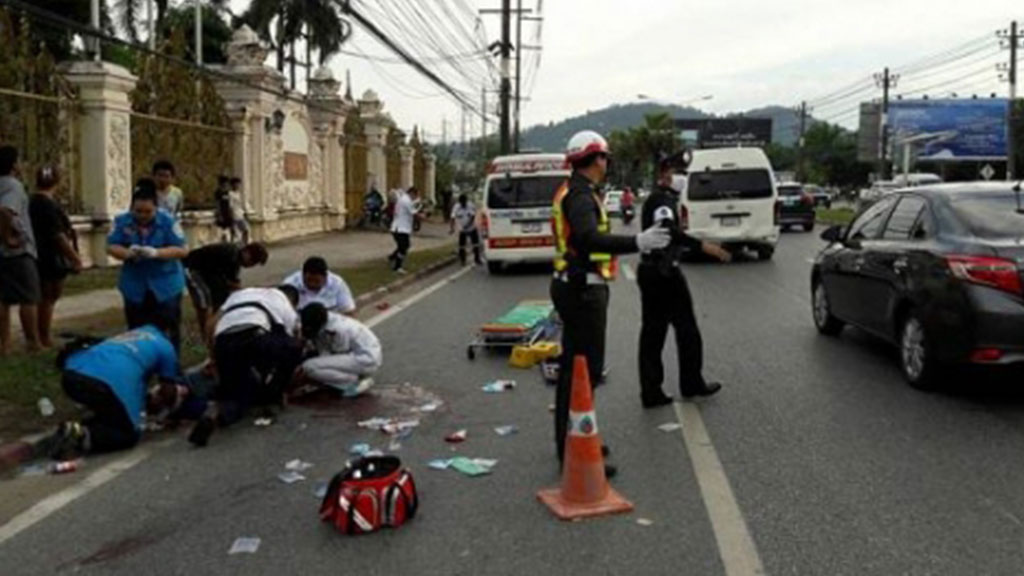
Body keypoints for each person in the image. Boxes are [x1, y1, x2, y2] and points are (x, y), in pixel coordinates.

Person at [550, 130, 671, 476]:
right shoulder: (580, 196)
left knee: (580, 372)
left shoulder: (577, 191)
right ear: (596, 159)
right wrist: (639, 241)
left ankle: (576, 439)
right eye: (604, 157)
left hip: (578, 287)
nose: (607, 163)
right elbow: (588, 239)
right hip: (581, 291)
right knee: (582, 374)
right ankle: (573, 447)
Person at [638, 152, 731, 408]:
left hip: (653, 271)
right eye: (679, 173)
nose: (683, 178)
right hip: (663, 273)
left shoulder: (659, 199)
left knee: (654, 332)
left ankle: (652, 390)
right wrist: (704, 247)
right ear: (665, 174)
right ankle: (690, 383)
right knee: (685, 329)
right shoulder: (662, 201)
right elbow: (669, 230)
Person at [44, 322, 179, 459]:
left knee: (112, 411)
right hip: (106, 383)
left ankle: (76, 428)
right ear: (170, 331)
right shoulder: (165, 346)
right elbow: (168, 391)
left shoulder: (136, 333)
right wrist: (167, 408)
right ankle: (80, 434)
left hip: (71, 376)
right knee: (128, 434)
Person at [191, 285, 304, 446]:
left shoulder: (240, 294)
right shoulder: (284, 302)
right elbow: (295, 338)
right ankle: (272, 397)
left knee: (236, 393)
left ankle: (214, 414)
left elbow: (211, 324)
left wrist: (214, 358)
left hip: (224, 339)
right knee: (293, 348)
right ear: (292, 301)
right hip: (254, 335)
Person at [107, 179, 188, 352]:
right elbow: (111, 246)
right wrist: (127, 253)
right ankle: (141, 365)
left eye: (147, 212)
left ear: (156, 208)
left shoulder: (168, 222)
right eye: (138, 211)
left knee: (167, 330)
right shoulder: (122, 222)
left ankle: (169, 370)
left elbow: (182, 250)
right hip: (135, 285)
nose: (142, 216)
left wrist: (157, 253)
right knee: (137, 330)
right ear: (131, 208)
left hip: (166, 285)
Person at [30, 164, 83, 349]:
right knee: (49, 297)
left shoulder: (33, 201)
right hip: (51, 256)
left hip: (39, 253)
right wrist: (74, 257)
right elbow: (57, 235)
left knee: (45, 298)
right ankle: (43, 336)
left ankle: (41, 334)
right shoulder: (47, 204)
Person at [0, 145, 41, 354]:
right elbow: (6, 211)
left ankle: (3, 343)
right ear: (14, 164)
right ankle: (32, 342)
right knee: (28, 296)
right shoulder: (13, 186)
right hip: (17, 251)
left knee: (3, 299)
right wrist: (8, 237)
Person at [184, 242, 269, 338]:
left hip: (206, 274)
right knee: (205, 303)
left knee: (220, 299)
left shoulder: (235, 257)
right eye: (253, 261)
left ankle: (212, 329)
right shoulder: (230, 255)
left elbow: (232, 283)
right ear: (247, 252)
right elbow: (230, 283)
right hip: (193, 269)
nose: (251, 266)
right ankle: (206, 333)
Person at [295, 303, 382, 397]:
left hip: (365, 358)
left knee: (309, 366)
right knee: (314, 365)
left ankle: (353, 381)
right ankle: (339, 381)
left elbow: (338, 353)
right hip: (358, 355)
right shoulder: (327, 320)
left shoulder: (338, 329)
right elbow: (323, 351)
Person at [282, 256, 356, 314]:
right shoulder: (290, 285)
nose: (312, 284)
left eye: (316, 281)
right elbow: (282, 313)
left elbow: (349, 311)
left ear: (325, 277)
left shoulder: (337, 284)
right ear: (303, 275)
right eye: (309, 280)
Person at [388, 186, 419, 274]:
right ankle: (397, 267)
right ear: (412, 193)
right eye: (415, 195)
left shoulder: (403, 199)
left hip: (400, 227)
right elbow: (414, 213)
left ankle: (392, 257)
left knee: (404, 246)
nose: (415, 198)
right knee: (403, 247)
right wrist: (424, 217)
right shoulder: (406, 201)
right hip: (400, 228)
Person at [449, 193, 482, 266]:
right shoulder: (456, 207)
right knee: (462, 245)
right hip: (462, 229)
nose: (463, 204)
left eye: (464, 202)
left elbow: (473, 217)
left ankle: (477, 259)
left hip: (471, 227)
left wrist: (467, 225)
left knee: (476, 244)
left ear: (466, 201)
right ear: (460, 202)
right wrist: (452, 228)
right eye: (462, 203)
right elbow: (452, 218)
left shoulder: (470, 205)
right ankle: (463, 260)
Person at [228, 177, 251, 244]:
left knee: (246, 230)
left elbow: (240, 205)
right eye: (236, 184)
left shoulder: (238, 193)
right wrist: (231, 217)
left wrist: (244, 213)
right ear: (233, 185)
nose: (238, 186)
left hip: (240, 215)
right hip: (234, 216)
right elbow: (230, 206)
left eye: (238, 184)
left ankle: (245, 244)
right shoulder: (230, 194)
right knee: (234, 233)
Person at [213, 175, 234, 241]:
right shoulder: (218, 192)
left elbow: (231, 203)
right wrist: (219, 214)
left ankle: (231, 241)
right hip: (222, 213)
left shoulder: (228, 192)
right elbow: (217, 203)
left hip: (228, 212)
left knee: (232, 229)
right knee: (222, 231)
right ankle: (224, 241)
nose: (226, 184)